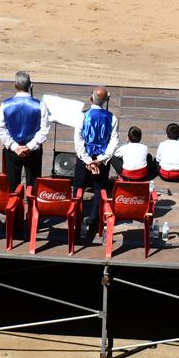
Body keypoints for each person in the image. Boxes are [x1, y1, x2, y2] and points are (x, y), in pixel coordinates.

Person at [73, 87, 120, 242]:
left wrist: (87, 160)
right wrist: (100, 159)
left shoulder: (82, 116)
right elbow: (114, 142)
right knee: (99, 189)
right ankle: (93, 221)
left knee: (78, 188)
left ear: (90, 98)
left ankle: (76, 219)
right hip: (101, 159)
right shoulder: (112, 118)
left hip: (84, 157)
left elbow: (78, 139)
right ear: (106, 101)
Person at [0, 71, 47, 189]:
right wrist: (29, 147)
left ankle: (14, 206)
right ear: (30, 85)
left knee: (12, 186)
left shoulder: (5, 104)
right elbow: (44, 131)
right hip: (33, 152)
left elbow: (0, 130)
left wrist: (15, 147)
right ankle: (31, 206)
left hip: (13, 151)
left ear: (15, 85)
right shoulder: (40, 105)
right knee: (33, 186)